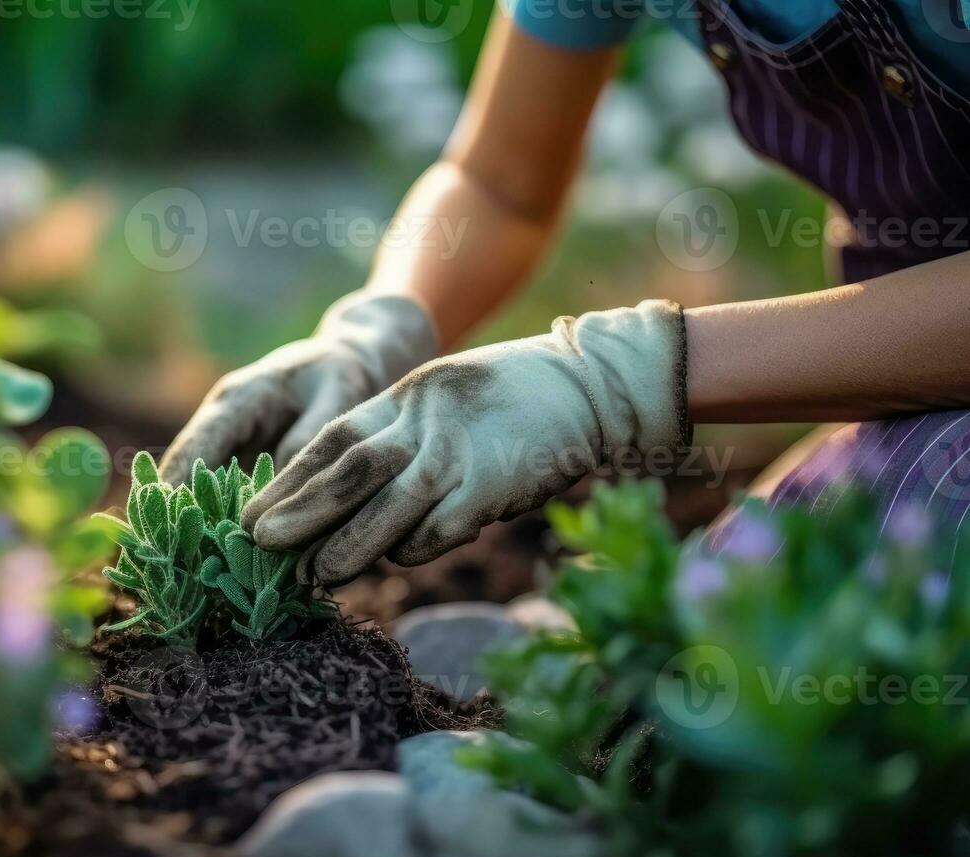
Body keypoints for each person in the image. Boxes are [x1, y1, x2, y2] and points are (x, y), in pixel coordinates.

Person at [161, 1, 970, 585]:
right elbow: (496, 183)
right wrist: (380, 327)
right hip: (903, 352)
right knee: (706, 679)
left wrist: (619, 378)